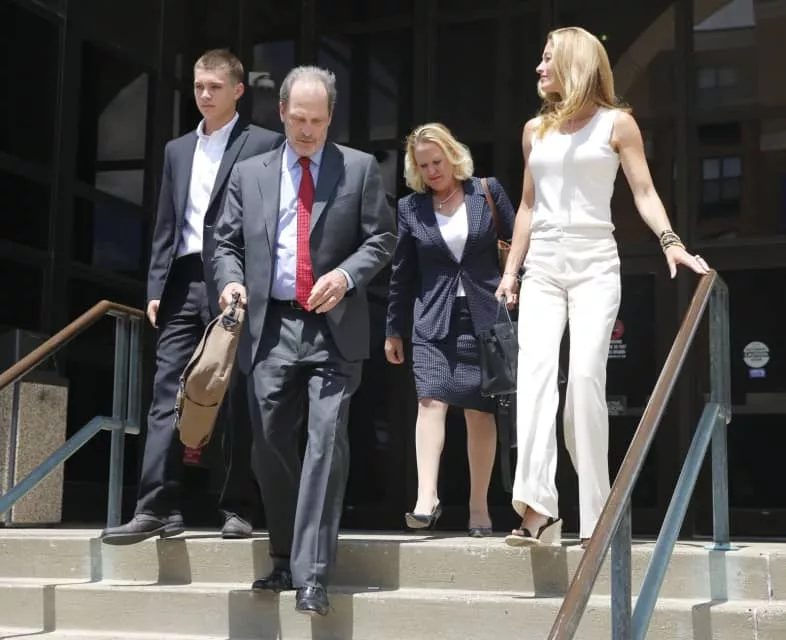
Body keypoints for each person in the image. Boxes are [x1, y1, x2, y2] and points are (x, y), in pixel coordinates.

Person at [496, 27, 710, 548]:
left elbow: (644, 190)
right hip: (543, 265)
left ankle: (598, 516)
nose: (539, 68)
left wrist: (670, 241)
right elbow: (528, 205)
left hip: (594, 262)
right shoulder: (534, 131)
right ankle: (537, 509)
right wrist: (511, 272)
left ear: (575, 63)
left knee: (585, 383)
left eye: (548, 58)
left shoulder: (617, 123)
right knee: (535, 379)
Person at [212, 66, 396, 616]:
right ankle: (285, 554)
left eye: (318, 120)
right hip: (270, 327)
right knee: (268, 444)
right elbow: (225, 243)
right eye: (298, 119)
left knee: (324, 444)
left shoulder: (358, 168)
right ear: (282, 113)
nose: (308, 130)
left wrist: (345, 276)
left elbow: (382, 237)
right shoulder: (250, 173)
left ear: (330, 117)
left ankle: (311, 575)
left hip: (333, 329)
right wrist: (231, 281)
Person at [100, 49, 283, 546]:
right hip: (183, 280)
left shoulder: (264, 143)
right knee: (167, 392)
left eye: (215, 87)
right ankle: (156, 507)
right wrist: (156, 287)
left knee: (235, 394)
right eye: (199, 86)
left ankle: (237, 507)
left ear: (238, 91)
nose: (204, 94)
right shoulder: (177, 150)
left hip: (236, 280)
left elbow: (269, 220)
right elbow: (167, 222)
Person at [385, 123, 515, 536]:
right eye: (423, 166)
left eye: (437, 162)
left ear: (453, 156)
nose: (432, 171)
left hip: (484, 316)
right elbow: (402, 273)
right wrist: (394, 329)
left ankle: (479, 507)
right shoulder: (411, 208)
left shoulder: (487, 192)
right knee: (430, 401)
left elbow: (519, 245)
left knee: (480, 412)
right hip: (432, 318)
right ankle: (427, 496)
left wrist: (517, 285)